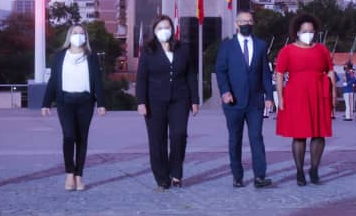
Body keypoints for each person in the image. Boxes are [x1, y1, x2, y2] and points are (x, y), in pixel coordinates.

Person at [136, 15, 199, 190]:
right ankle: (162, 178)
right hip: (154, 101)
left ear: (172, 29)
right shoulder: (148, 51)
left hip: (180, 99)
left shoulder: (183, 49)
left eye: (167, 27)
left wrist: (194, 100)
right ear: (154, 31)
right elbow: (141, 78)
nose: (164, 31)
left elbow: (191, 75)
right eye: (160, 28)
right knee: (157, 140)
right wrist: (141, 101)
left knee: (179, 135)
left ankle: (176, 172)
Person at [42, 24, 107, 191]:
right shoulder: (60, 56)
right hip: (65, 101)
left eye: (81, 33)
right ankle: (69, 173)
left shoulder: (91, 57)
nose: (78, 36)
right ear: (69, 36)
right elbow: (53, 81)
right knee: (69, 135)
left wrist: (101, 103)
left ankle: (79, 176)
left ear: (85, 37)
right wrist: (46, 103)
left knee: (82, 139)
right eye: (75, 33)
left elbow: (98, 82)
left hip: (85, 102)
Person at [214, 10, 275, 188]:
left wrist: (269, 96)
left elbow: (265, 72)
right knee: (235, 139)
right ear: (236, 24)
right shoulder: (227, 46)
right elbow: (220, 70)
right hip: (233, 102)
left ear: (253, 23)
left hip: (255, 102)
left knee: (256, 137)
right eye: (242, 21)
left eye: (249, 21)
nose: (246, 24)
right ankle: (237, 176)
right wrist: (225, 91)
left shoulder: (261, 45)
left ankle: (260, 176)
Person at [275, 13, 334, 186]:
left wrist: (333, 93)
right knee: (299, 135)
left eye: (311, 31)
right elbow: (279, 74)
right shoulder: (287, 50)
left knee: (319, 134)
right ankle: (299, 170)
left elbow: (330, 70)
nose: (309, 33)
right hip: (296, 95)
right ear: (297, 32)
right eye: (305, 31)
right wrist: (280, 97)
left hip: (318, 94)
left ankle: (314, 169)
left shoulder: (322, 49)